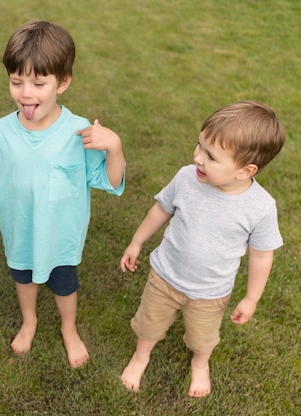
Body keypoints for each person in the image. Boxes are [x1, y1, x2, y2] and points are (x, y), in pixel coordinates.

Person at [0, 20, 125, 368]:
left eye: (38, 83)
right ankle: (29, 321)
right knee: (24, 278)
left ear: (63, 82)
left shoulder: (78, 131)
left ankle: (69, 329)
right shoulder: (0, 133)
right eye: (17, 82)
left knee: (64, 285)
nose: (26, 93)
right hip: (20, 232)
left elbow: (110, 179)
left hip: (62, 238)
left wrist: (114, 147)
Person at [119, 101, 285, 397]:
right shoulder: (186, 178)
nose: (197, 157)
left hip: (210, 293)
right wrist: (136, 241)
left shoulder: (260, 208)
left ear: (245, 170)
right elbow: (161, 210)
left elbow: (261, 255)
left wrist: (251, 298)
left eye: (210, 156)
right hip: (165, 276)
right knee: (149, 325)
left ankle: (200, 362)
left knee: (202, 337)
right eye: (199, 146)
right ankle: (141, 356)